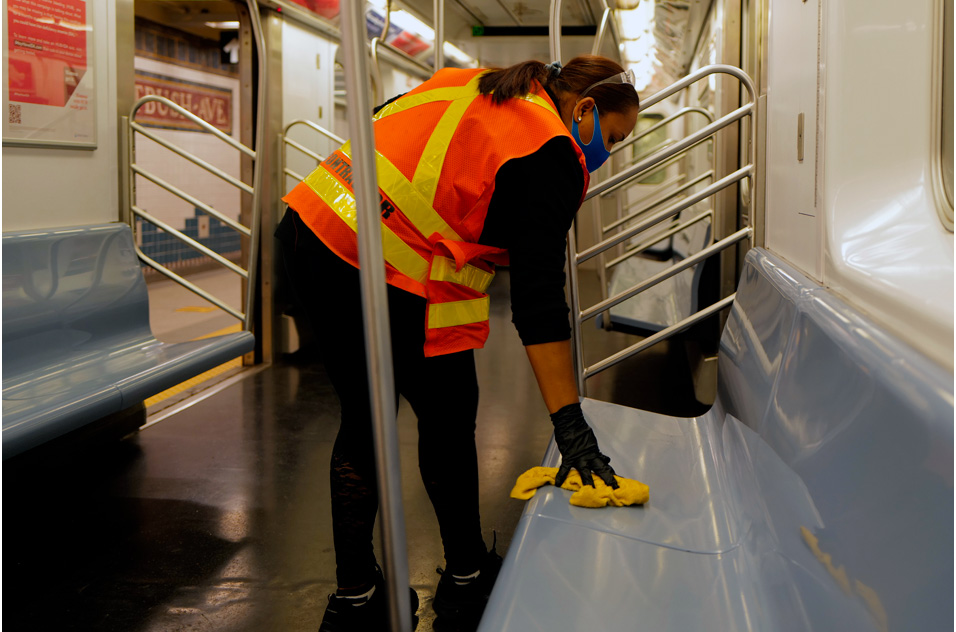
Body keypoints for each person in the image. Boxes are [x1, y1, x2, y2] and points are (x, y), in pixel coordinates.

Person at [276, 54, 640, 631]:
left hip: (311, 230)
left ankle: (355, 596)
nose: (606, 153)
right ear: (586, 109)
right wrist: (569, 423)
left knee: (367, 417)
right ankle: (465, 579)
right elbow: (540, 302)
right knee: (447, 416)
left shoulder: (481, 86)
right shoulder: (551, 150)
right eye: (613, 139)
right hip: (372, 261)